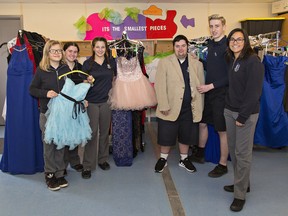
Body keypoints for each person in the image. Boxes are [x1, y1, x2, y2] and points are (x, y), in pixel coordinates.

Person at [224, 28, 264, 212]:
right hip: (230, 111)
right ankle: (243, 183)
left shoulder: (253, 61)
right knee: (234, 150)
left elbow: (253, 92)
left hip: (244, 115)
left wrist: (242, 115)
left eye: (239, 39)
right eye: (232, 39)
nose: (235, 42)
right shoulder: (234, 59)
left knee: (243, 154)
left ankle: (240, 195)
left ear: (246, 41)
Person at [154, 34, 204, 173]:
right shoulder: (165, 62)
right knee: (166, 135)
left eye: (183, 46)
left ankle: (184, 159)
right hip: (169, 107)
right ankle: (163, 159)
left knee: (186, 135)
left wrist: (200, 107)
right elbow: (159, 85)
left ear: (187, 46)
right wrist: (163, 104)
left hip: (190, 107)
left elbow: (201, 86)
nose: (180, 49)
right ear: (173, 47)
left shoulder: (197, 64)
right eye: (177, 46)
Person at [191, 14, 229, 178]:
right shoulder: (211, 45)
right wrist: (198, 59)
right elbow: (213, 67)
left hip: (221, 93)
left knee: (222, 130)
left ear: (223, 27)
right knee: (203, 123)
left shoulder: (228, 46)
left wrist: (210, 86)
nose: (214, 29)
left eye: (217, 26)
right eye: (211, 26)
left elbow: (229, 75)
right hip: (209, 92)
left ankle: (223, 164)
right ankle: (200, 153)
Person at [29, 40, 71, 191]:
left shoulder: (66, 69)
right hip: (47, 114)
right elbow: (32, 89)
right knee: (49, 146)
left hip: (63, 115)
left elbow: (72, 88)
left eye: (59, 51)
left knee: (60, 144)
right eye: (54, 51)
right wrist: (46, 93)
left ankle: (60, 173)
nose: (57, 53)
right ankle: (50, 175)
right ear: (47, 53)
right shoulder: (41, 70)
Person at [81, 37, 116, 179]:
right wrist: (86, 81)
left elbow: (116, 79)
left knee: (104, 133)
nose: (100, 50)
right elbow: (82, 82)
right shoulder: (87, 64)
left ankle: (103, 159)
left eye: (103, 47)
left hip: (106, 102)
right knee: (92, 133)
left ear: (106, 48)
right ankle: (88, 165)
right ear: (93, 48)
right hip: (92, 102)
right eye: (98, 47)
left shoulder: (111, 62)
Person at [62, 42, 84, 175]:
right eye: (70, 51)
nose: (72, 54)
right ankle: (63, 164)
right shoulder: (59, 68)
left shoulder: (80, 68)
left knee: (75, 134)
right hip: (62, 106)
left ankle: (75, 161)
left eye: (75, 52)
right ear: (64, 52)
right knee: (64, 135)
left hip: (76, 106)